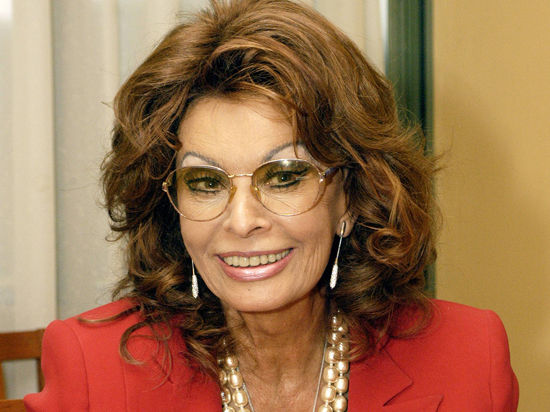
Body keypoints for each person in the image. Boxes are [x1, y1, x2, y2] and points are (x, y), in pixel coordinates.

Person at [24, 0, 519, 410]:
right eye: (205, 182)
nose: (242, 221)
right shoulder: (91, 368)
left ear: (350, 197)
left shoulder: (470, 356)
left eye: (284, 177)